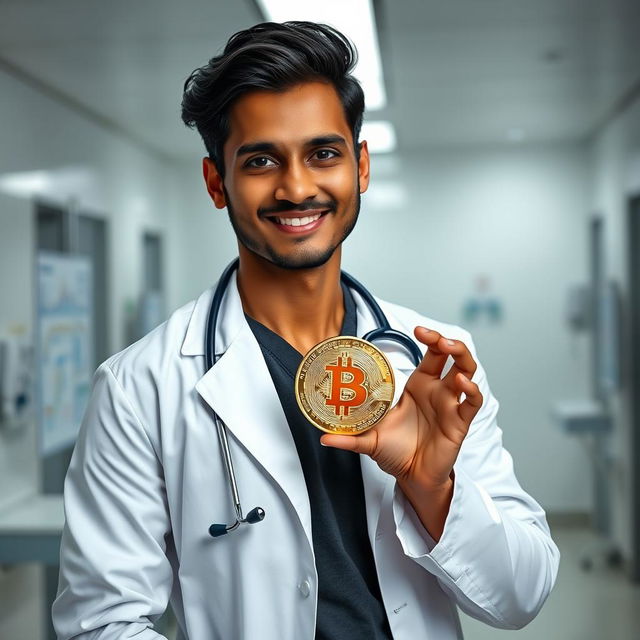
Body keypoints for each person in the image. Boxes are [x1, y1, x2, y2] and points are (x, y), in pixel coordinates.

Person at [53, 21, 559, 640]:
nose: (297, 187)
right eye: (261, 160)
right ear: (217, 182)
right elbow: (101, 623)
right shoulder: (140, 387)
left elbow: (522, 595)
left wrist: (433, 487)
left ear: (360, 166)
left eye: (323, 153)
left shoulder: (434, 363)